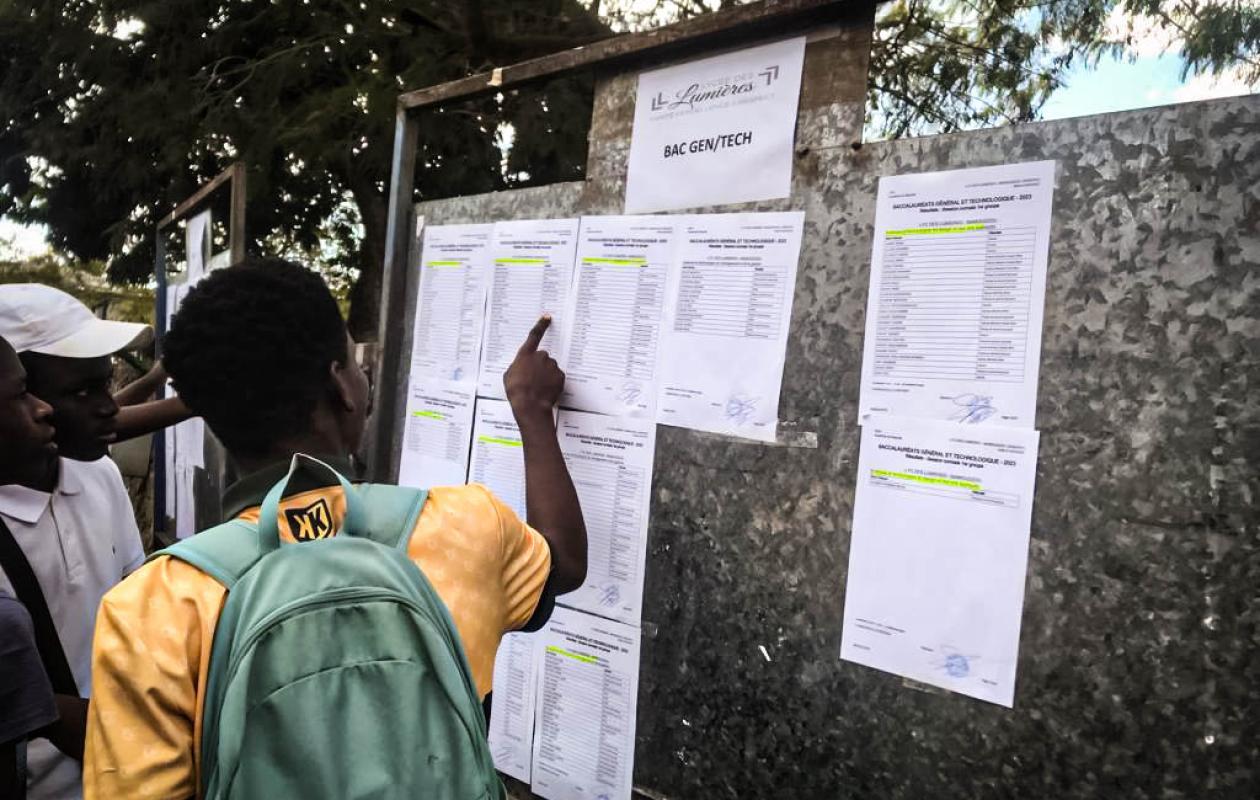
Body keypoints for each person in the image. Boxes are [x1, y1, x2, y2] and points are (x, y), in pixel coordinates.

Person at [83, 257, 587, 798]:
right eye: (352, 362)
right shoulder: (465, 525)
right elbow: (565, 562)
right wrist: (532, 412)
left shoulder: (151, 605)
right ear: (340, 387)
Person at [0, 290, 152, 800]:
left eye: (105, 383)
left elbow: (136, 606)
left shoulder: (101, 476)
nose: (110, 405)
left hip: (123, 775)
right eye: (82, 391)